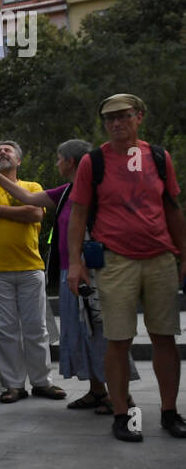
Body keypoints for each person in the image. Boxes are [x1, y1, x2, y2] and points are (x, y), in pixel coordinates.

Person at [67, 94, 186, 442]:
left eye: (123, 117)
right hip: (116, 259)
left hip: (160, 257)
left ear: (139, 117)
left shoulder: (160, 158)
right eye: (110, 119)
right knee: (118, 340)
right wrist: (75, 263)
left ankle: (169, 412)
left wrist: (183, 255)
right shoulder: (94, 162)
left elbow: (173, 208)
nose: (116, 124)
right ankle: (122, 415)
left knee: (165, 338)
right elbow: (77, 213)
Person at [0, 140, 125, 413]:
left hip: (91, 272)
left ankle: (117, 398)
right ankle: (96, 391)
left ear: (70, 162)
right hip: (69, 272)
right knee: (80, 331)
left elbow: (34, 211)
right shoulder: (68, 190)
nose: (56, 163)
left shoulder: (96, 190)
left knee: (97, 332)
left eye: (58, 158)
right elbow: (27, 201)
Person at [0, 141, 67, 403]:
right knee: (4, 329)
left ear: (19, 161)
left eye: (8, 150)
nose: (2, 152)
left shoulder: (31, 187)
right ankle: (13, 385)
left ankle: (42, 382)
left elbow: (34, 213)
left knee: (36, 327)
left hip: (30, 266)